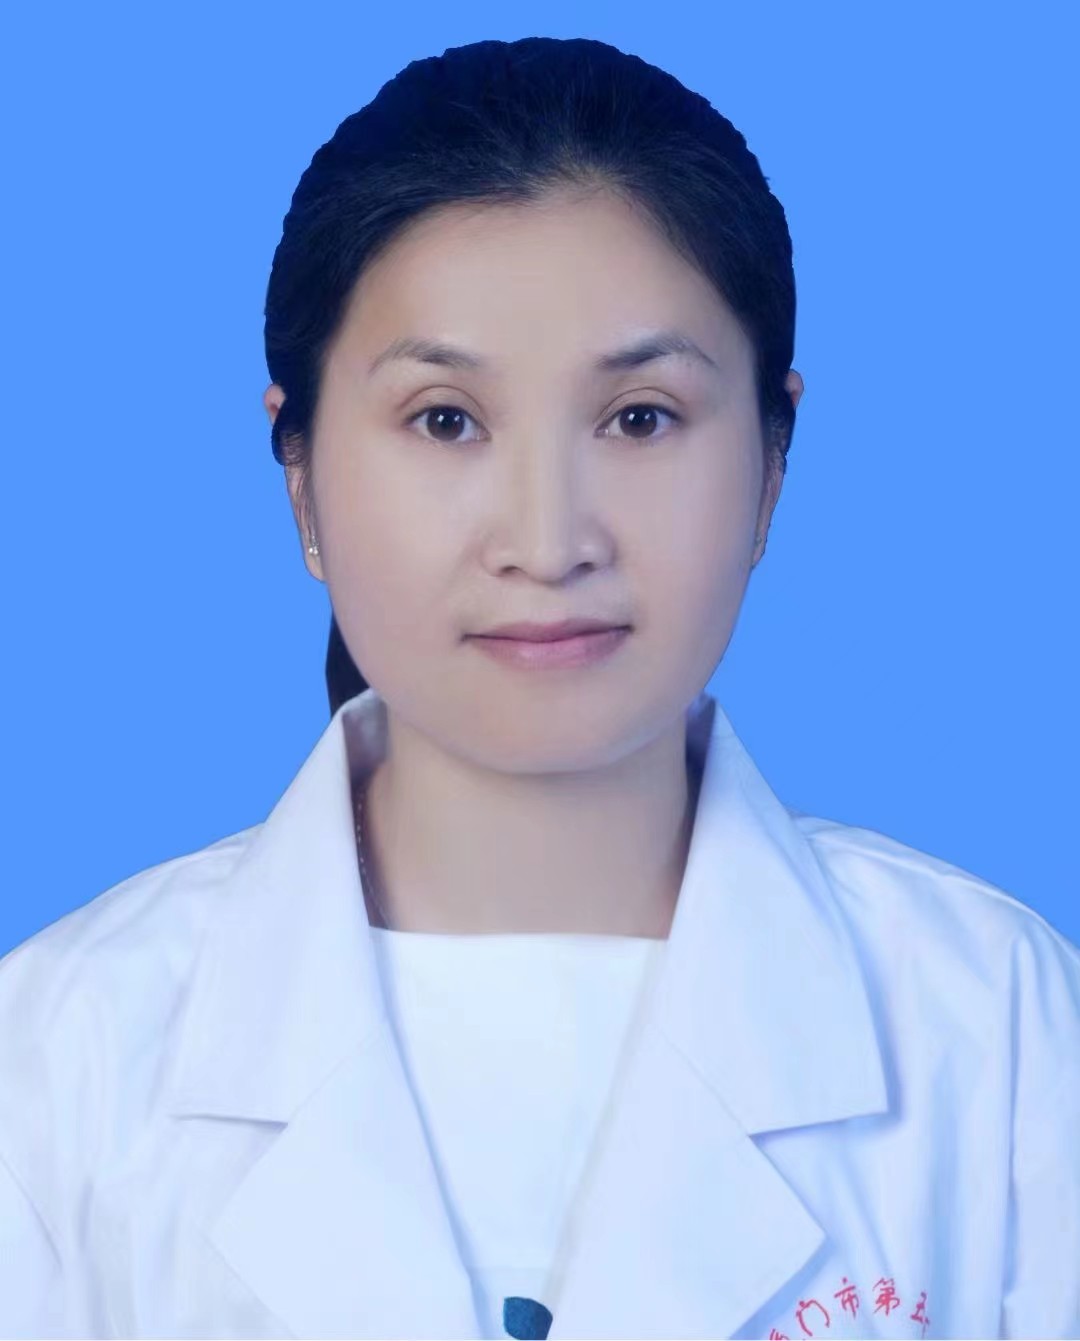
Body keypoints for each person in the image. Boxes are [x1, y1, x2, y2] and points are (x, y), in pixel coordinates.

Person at [0, 34, 1077, 1341]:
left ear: (773, 461)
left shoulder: (1002, 1027)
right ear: (300, 476)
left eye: (640, 418)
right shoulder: (59, 1052)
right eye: (446, 420)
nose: (548, 539)